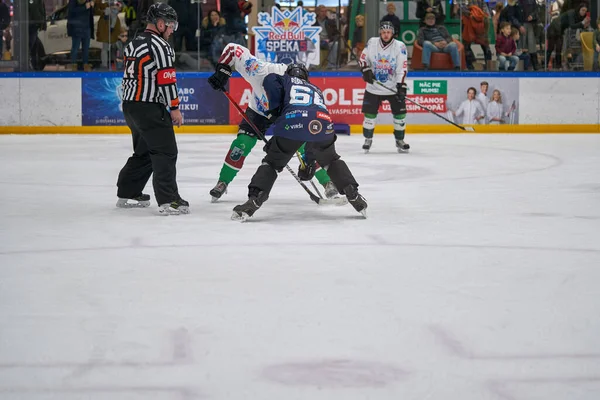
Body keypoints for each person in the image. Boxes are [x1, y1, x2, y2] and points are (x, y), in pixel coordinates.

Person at [231, 64, 367, 221]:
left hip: (292, 122)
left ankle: (254, 199)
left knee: (271, 164)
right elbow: (311, 135)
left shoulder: (283, 79)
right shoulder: (316, 89)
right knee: (331, 160)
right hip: (323, 123)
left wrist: (275, 114)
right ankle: (352, 192)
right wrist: (309, 163)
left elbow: (269, 80)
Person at [207, 43, 340, 202]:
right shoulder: (260, 70)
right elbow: (232, 49)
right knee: (241, 144)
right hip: (259, 111)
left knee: (304, 145)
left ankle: (326, 182)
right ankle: (223, 181)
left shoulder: (302, 91)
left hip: (286, 115)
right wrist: (223, 69)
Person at [116, 3, 189, 215]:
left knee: (145, 151)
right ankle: (169, 200)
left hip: (130, 106)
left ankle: (128, 191)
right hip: (149, 107)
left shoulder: (133, 43)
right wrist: (174, 107)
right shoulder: (161, 46)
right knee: (166, 151)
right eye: (171, 26)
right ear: (160, 23)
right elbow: (167, 79)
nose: (172, 31)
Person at [359, 21, 409, 153]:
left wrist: (401, 85)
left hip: (392, 86)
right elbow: (363, 59)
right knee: (369, 115)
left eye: (388, 32)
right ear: (380, 32)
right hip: (374, 87)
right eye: (383, 32)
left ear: (392, 33)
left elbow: (402, 67)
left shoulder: (400, 46)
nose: (386, 35)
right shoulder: (372, 43)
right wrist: (366, 70)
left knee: (400, 115)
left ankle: (400, 140)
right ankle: (368, 139)